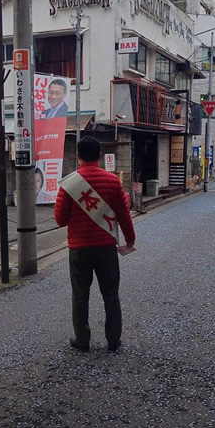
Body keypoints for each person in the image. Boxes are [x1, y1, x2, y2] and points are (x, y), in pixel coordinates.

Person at [54, 136, 136, 353]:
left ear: (78, 156)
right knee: (111, 295)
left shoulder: (70, 183)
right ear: (100, 156)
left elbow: (60, 220)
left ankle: (83, 340)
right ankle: (113, 340)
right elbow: (123, 214)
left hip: (79, 249)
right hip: (106, 248)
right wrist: (130, 239)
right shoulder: (112, 181)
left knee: (80, 296)